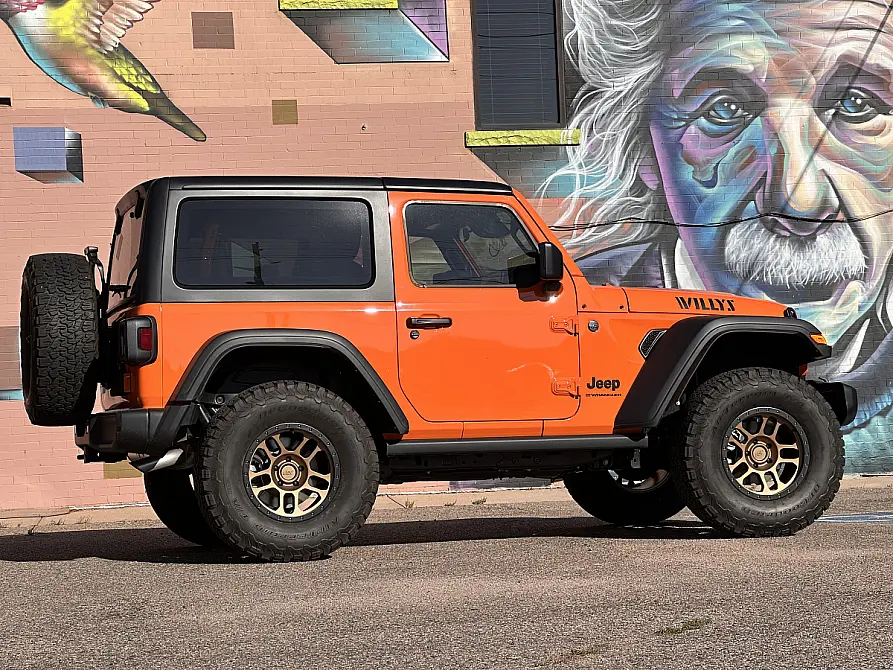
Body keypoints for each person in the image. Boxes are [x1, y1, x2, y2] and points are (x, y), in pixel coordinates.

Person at [546, 0, 893, 470]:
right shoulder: (564, 318)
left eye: (857, 105)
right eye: (724, 109)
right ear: (647, 149)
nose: (800, 199)